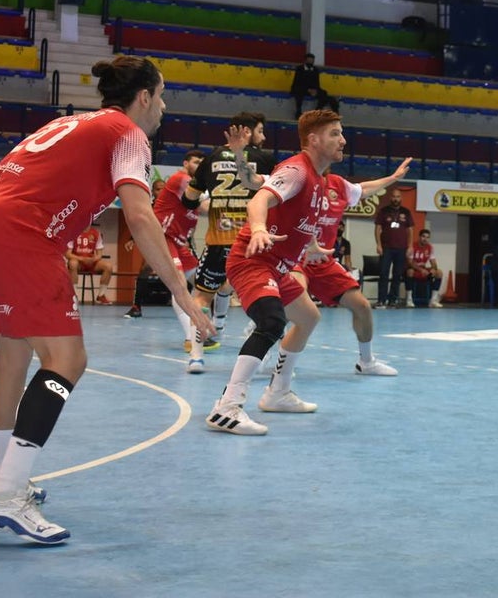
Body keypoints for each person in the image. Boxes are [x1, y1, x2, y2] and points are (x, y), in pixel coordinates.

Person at [0, 55, 211, 544]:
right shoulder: (128, 134)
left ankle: (6, 478)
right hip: (21, 235)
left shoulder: (69, 122)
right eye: (164, 95)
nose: (165, 106)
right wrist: (183, 292)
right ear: (145, 97)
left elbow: (10, 181)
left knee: (13, 352)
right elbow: (139, 216)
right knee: (67, 360)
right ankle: (6, 494)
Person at [205, 109, 349, 436]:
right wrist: (257, 228)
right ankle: (226, 407)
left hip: (278, 266)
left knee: (309, 318)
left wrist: (309, 245)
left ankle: (277, 393)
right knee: (271, 322)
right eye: (335, 134)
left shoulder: (319, 178)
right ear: (313, 140)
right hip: (252, 258)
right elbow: (259, 200)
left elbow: (299, 217)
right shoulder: (297, 170)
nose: (343, 140)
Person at [227, 125, 411, 377]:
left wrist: (392, 179)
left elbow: (365, 189)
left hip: (321, 258)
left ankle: (366, 361)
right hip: (295, 257)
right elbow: (253, 184)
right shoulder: (294, 175)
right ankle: (269, 344)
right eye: (335, 136)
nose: (341, 142)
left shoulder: (337, 185)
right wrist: (239, 156)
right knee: (297, 300)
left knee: (362, 306)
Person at [184, 112, 275, 343]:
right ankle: (246, 333)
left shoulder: (212, 157)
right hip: (251, 241)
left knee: (203, 296)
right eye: (260, 131)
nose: (263, 137)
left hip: (218, 240)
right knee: (262, 293)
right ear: (246, 131)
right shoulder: (264, 159)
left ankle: (195, 344)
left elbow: (188, 198)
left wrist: (208, 201)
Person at [147, 149, 209, 373]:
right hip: (163, 238)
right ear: (185, 163)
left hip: (180, 244)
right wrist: (231, 204)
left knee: (206, 282)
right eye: (195, 161)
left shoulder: (195, 188)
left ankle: (211, 326)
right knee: (180, 286)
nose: (199, 163)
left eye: (202, 161)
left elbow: (201, 212)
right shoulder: (180, 179)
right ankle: (190, 338)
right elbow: (205, 207)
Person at [122, 177, 168, 319]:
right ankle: (137, 307)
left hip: (176, 244)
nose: (161, 191)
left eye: (163, 188)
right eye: (158, 189)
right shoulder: (149, 208)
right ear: (152, 192)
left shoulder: (173, 205)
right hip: (158, 245)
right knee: (145, 270)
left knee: (191, 275)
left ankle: (203, 305)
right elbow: (141, 225)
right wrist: (132, 240)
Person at [375, 187, 413, 308]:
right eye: (394, 197)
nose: (395, 199)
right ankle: (381, 300)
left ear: (400, 198)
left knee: (397, 275)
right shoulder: (383, 211)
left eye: (398, 197)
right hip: (386, 248)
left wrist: (410, 246)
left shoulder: (406, 212)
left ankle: (393, 300)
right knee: (383, 274)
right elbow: (377, 229)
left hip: (401, 248)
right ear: (390, 198)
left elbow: (410, 230)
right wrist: (378, 245)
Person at [65, 222, 113, 305]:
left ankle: (101, 296)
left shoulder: (96, 233)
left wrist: (93, 259)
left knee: (108, 266)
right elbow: (68, 254)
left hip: (91, 262)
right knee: (72, 263)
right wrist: (82, 259)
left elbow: (99, 254)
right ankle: (74, 295)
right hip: (78, 262)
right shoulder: (73, 232)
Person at [290, 53, 339, 118]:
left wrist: (315, 90)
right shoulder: (300, 69)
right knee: (298, 93)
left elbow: (317, 83)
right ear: (305, 60)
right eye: (309, 60)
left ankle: (318, 111)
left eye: (312, 60)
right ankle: (298, 112)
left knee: (324, 93)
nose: (310, 61)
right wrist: (308, 90)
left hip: (313, 89)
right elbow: (297, 82)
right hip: (301, 88)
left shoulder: (315, 70)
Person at [406, 228, 444, 308]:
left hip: (423, 270)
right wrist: (421, 270)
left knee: (439, 273)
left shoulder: (430, 247)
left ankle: (433, 301)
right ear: (419, 237)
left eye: (427, 237)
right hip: (414, 269)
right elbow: (410, 262)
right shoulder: (412, 246)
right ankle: (409, 300)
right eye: (423, 236)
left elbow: (433, 262)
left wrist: (434, 269)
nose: (425, 239)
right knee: (410, 272)